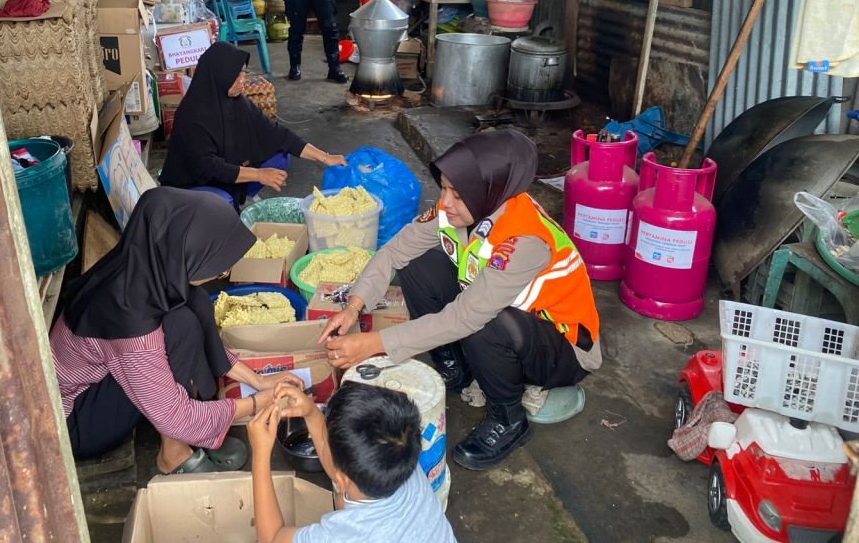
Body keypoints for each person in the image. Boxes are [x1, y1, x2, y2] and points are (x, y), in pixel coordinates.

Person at [318, 129, 601, 471]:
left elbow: (467, 317)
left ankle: (508, 419)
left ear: (489, 191)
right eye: (444, 188)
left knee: (488, 323)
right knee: (418, 262)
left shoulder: (526, 241)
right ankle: (456, 366)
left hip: (564, 349)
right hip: (512, 320)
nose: (445, 202)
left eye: (457, 192)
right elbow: (395, 251)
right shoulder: (462, 209)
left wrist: (376, 343)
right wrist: (354, 306)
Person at [51, 188, 303, 475]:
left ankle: (201, 427)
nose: (224, 271)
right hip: (77, 419)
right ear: (183, 253)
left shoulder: (140, 269)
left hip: (103, 379)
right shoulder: (132, 328)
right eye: (218, 265)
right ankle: (173, 453)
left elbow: (205, 344)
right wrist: (258, 402)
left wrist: (258, 381)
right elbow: (175, 417)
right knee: (180, 324)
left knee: (187, 309)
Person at [247, 381, 457, 543]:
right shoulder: (401, 457)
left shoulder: (340, 535)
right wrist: (311, 412)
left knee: (341, 500)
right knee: (342, 499)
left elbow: (272, 537)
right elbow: (341, 472)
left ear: (341, 477)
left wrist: (261, 455)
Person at [159, 42, 346, 209]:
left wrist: (325, 157)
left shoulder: (236, 102)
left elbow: (277, 134)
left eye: (244, 73)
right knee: (221, 202)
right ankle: (224, 205)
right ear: (219, 75)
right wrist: (259, 175)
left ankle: (241, 196)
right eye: (235, 75)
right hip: (193, 184)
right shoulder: (193, 116)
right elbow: (209, 168)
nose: (243, 81)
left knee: (280, 156)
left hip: (226, 173)